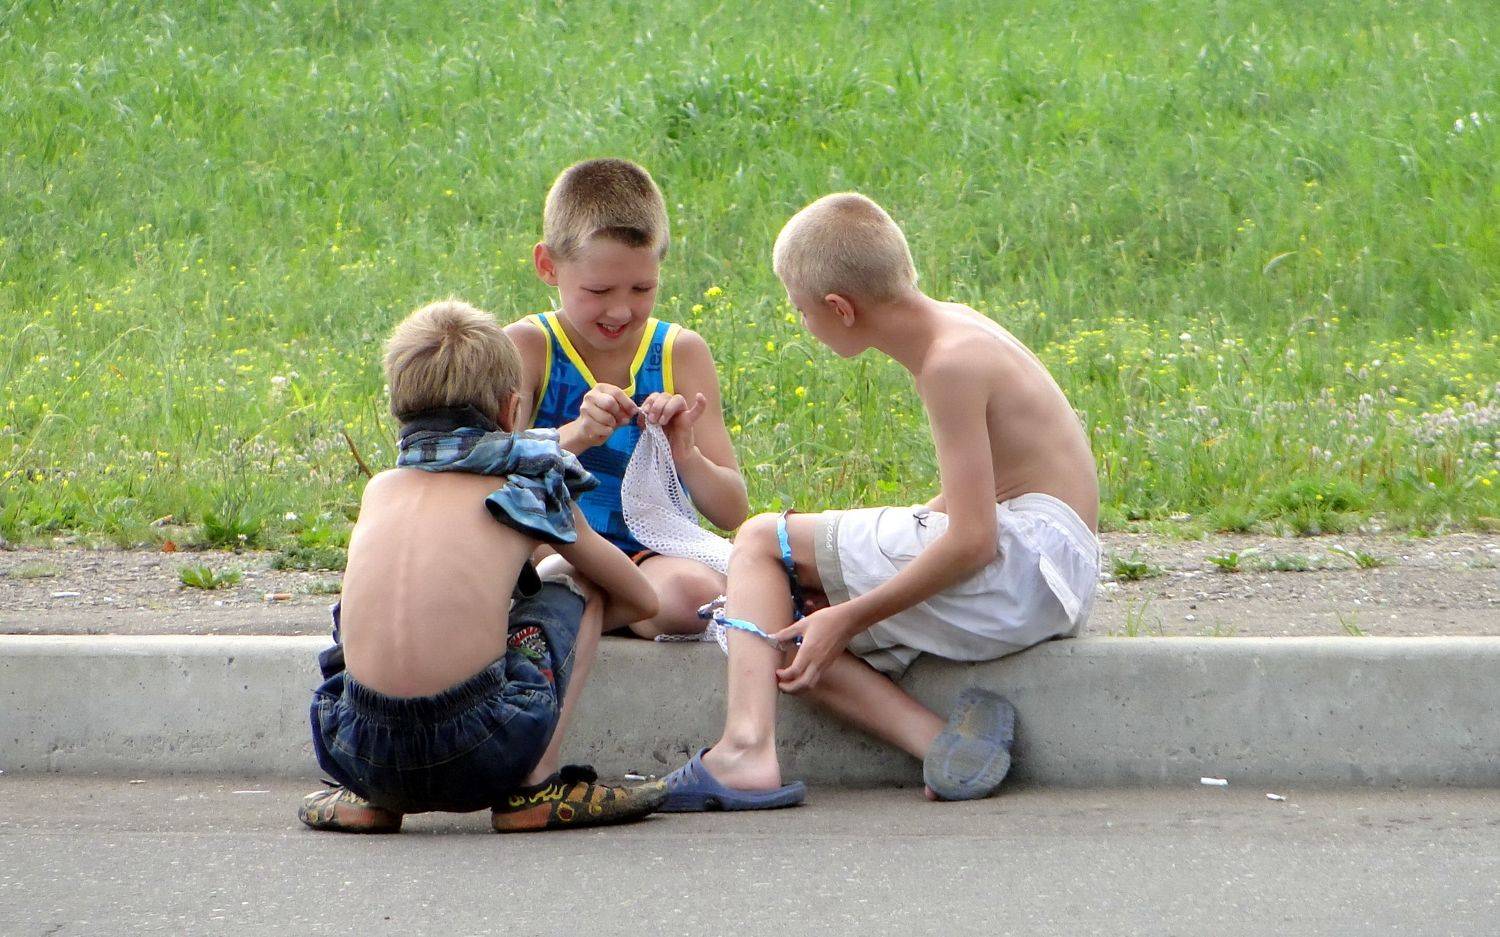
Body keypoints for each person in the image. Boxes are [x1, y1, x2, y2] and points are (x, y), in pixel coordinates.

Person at [662, 194, 1101, 810]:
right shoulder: (956, 330)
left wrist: (850, 614)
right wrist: (839, 600)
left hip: (1021, 567)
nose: (803, 323)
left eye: (801, 310)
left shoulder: (949, 365)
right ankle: (945, 745)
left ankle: (744, 749)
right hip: (1052, 574)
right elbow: (973, 496)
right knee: (780, 619)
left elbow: (974, 540)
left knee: (762, 540)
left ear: (840, 308)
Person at [300, 299, 665, 833]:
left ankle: (368, 799)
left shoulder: (381, 490)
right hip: (485, 746)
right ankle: (535, 791)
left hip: (356, 749)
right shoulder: (524, 486)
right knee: (578, 581)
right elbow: (643, 599)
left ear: (399, 409)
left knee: (353, 611)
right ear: (511, 410)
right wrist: (526, 624)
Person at [505, 158, 748, 638]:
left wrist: (685, 451)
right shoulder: (527, 347)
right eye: (598, 290)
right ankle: (596, 602)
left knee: (694, 599)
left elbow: (731, 510)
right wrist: (577, 434)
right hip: (556, 546)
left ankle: (581, 609)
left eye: (642, 288)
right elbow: (492, 478)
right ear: (548, 266)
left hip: (649, 553)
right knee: (553, 569)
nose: (620, 310)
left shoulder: (679, 352)